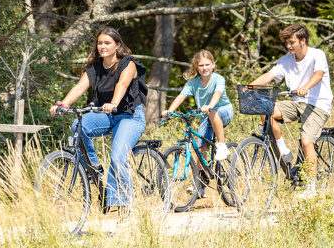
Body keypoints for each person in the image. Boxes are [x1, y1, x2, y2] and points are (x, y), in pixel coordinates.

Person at [50, 27, 147, 213]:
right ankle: (93, 167)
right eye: (100, 43)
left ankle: (124, 204)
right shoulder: (94, 67)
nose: (102, 46)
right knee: (78, 124)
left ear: (117, 45)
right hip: (107, 114)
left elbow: (123, 84)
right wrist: (63, 105)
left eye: (107, 43)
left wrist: (113, 103)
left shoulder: (129, 63)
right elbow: (80, 87)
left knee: (118, 158)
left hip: (130, 115)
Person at [250, 23, 333, 199]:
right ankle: (284, 150)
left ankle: (310, 188)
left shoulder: (317, 55)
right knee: (265, 109)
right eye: (287, 42)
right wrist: (250, 86)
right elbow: (269, 76)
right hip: (296, 103)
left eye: (292, 42)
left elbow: (318, 74)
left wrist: (305, 87)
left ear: (303, 40)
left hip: (318, 104)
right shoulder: (286, 60)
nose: (289, 46)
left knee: (306, 141)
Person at [161, 50, 234, 163]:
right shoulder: (193, 82)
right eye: (201, 65)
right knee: (201, 149)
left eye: (207, 64)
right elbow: (181, 97)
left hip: (223, 112)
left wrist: (210, 106)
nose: (204, 68)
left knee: (212, 112)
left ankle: (221, 145)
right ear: (197, 67)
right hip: (206, 116)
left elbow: (217, 93)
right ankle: (200, 177)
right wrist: (169, 111)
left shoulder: (218, 79)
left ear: (213, 65)